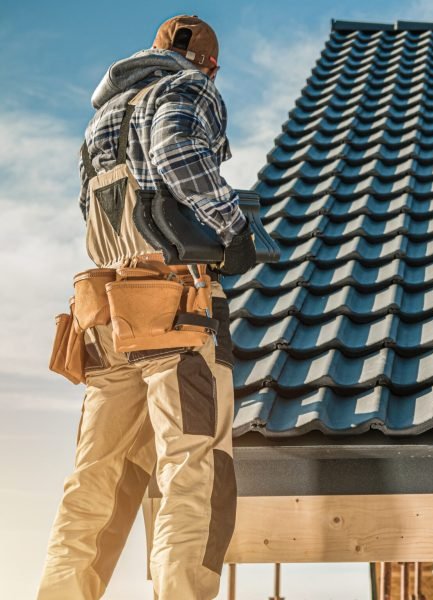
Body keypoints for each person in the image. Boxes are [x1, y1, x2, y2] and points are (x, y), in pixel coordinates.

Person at [37, 14, 254, 599]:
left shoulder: (100, 119)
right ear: (208, 62)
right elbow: (178, 150)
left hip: (106, 318)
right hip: (172, 315)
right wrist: (234, 226)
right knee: (193, 469)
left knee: (94, 481)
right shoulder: (188, 88)